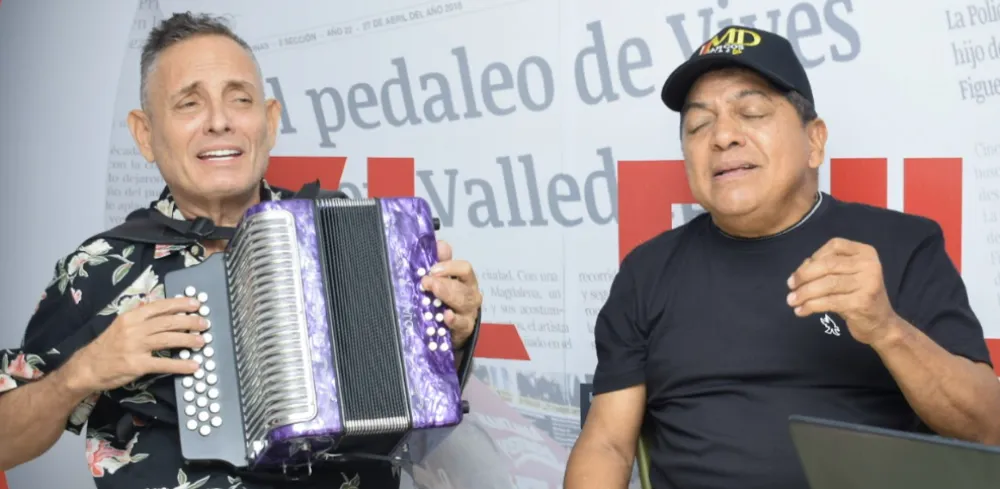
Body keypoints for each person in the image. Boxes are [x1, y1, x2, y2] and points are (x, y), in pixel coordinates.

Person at [0, 12, 483, 489]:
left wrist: (450, 338)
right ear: (145, 134)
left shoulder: (348, 232)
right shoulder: (99, 269)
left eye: (240, 99)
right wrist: (81, 373)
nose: (219, 122)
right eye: (189, 104)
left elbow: (414, 414)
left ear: (269, 122)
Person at [564, 26, 1000, 489]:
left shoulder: (903, 245)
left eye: (751, 112)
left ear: (815, 142)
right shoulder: (645, 273)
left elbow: (987, 428)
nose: (723, 136)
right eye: (698, 125)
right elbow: (608, 443)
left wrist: (886, 329)